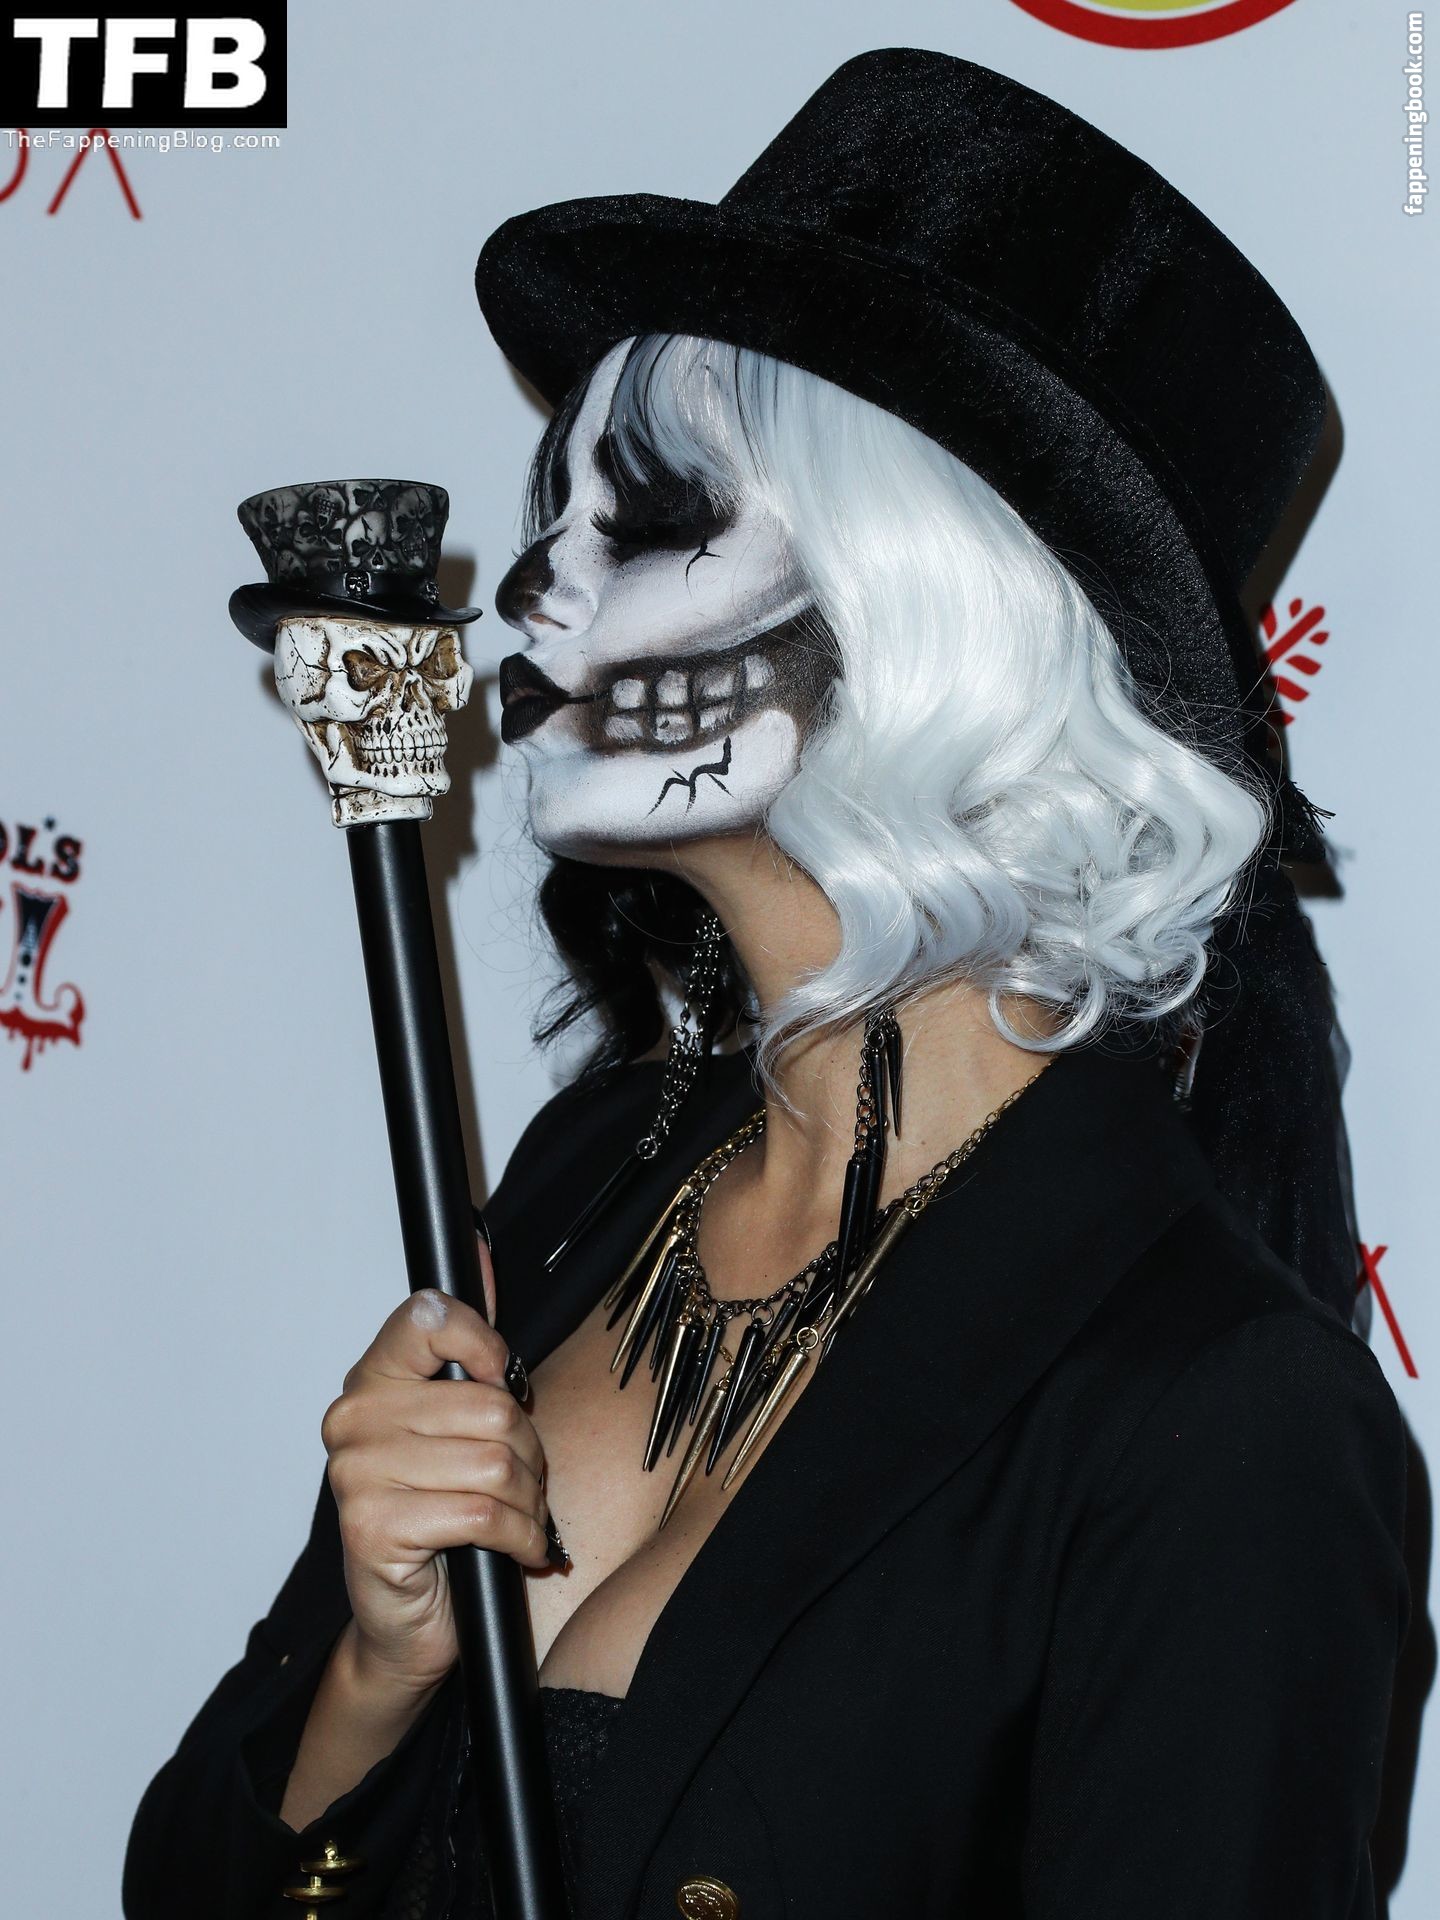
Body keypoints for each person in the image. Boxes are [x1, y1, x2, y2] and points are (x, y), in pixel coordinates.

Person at [124, 48, 1410, 1920]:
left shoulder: (1220, 1416)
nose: (534, 588)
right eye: (557, 508)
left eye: (648, 520)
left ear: (933, 613)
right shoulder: (580, 1186)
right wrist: (375, 1679)